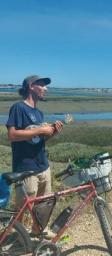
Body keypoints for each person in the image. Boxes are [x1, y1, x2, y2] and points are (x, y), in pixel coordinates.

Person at [6, 75, 63, 239]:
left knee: (44, 204)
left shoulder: (38, 113)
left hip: (43, 166)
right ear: (31, 86)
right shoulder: (19, 108)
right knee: (23, 207)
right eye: (42, 85)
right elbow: (12, 135)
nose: (46, 89)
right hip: (26, 168)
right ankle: (16, 238)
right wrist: (40, 130)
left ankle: (39, 231)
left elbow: (37, 140)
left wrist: (51, 133)